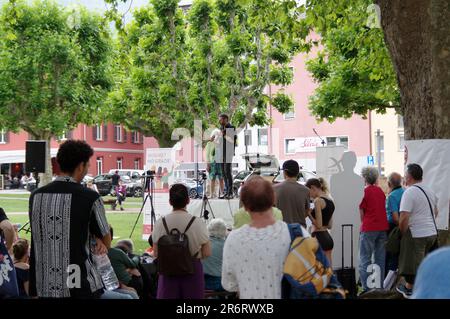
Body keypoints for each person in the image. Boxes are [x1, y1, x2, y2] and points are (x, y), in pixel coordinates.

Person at [28, 140, 112, 299]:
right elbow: (106, 241)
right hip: (79, 284)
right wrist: (95, 238)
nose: (87, 169)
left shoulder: (35, 196)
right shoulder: (90, 197)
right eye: (87, 166)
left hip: (43, 285)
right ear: (81, 166)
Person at [222, 176, 306, 299]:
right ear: (273, 199)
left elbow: (229, 284)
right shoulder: (297, 234)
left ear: (244, 206)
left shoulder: (234, 240)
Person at [152, 184, 211, 299]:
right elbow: (207, 252)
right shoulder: (198, 223)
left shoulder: (160, 223)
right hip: (192, 271)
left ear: (170, 202)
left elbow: (156, 253)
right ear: (188, 200)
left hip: (168, 272)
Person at [396, 163, 438, 299]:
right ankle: (420, 288)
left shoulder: (409, 192)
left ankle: (412, 290)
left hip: (418, 234)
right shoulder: (429, 190)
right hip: (432, 233)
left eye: (405, 176)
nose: (404, 178)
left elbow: (403, 218)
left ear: (408, 177)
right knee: (424, 263)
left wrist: (402, 234)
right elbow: (435, 212)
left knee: (414, 265)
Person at [358, 167, 389, 292]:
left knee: (365, 258)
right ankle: (378, 287)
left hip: (369, 227)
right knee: (379, 259)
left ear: (364, 178)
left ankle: (367, 288)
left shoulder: (363, 192)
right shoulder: (380, 191)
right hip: (382, 227)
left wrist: (363, 225)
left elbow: (361, 212)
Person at [305, 178, 335, 266]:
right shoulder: (330, 201)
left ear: (313, 188)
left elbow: (319, 224)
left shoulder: (318, 201)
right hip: (328, 238)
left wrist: (309, 214)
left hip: (319, 237)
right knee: (328, 268)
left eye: (309, 192)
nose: (309, 195)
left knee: (318, 267)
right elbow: (329, 225)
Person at [273, 159, 310, 228]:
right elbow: (306, 212)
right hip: (300, 230)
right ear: (298, 172)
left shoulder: (275, 189)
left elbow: (271, 210)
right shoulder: (306, 190)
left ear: (284, 172)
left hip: (281, 230)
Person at [108, 226, 142, 299]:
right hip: (125, 283)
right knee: (138, 271)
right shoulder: (116, 252)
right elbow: (133, 264)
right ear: (111, 238)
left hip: (117, 284)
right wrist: (137, 257)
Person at [385, 172, 404, 273]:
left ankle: (387, 282)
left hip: (393, 228)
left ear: (389, 184)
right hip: (404, 226)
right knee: (398, 255)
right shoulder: (405, 191)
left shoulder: (392, 196)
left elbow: (395, 218)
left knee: (390, 254)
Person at [202, 219, 227, 292]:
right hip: (219, 282)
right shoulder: (226, 245)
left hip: (203, 281)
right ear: (224, 230)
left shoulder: (203, 243)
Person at [217, 114, 236, 199]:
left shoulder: (231, 127)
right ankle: (226, 191)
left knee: (227, 172)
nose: (219, 121)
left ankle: (230, 193)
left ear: (225, 119)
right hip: (221, 153)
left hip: (228, 152)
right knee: (223, 173)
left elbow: (231, 140)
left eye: (221, 120)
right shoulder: (221, 128)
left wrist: (223, 135)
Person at [206, 129, 224, 198]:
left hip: (220, 162)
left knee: (221, 178)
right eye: (214, 135)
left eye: (217, 135)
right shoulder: (209, 144)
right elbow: (207, 155)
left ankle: (222, 193)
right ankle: (211, 194)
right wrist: (208, 164)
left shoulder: (221, 144)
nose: (215, 137)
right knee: (212, 179)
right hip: (212, 163)